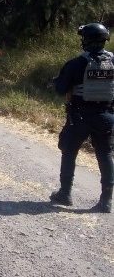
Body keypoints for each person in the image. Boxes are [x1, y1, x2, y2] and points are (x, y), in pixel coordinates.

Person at [50, 23, 114, 213]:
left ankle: (65, 194)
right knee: (105, 155)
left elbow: (61, 88)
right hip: (106, 116)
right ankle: (106, 201)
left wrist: (56, 82)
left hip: (79, 116)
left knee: (69, 152)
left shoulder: (76, 64)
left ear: (86, 40)